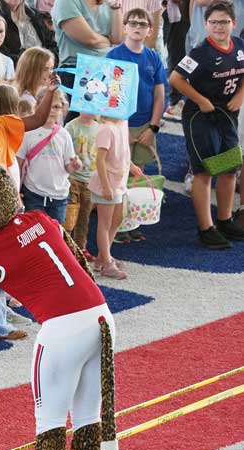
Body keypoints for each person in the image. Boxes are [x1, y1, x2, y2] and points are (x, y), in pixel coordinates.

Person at [170, 0, 244, 249]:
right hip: (200, 116)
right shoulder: (201, 52)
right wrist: (200, 100)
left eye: (224, 22)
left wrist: (240, 96)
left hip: (227, 115)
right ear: (206, 24)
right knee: (203, 170)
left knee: (229, 166)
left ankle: (224, 220)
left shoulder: (240, 46)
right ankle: (206, 228)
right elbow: (176, 78)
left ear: (234, 23)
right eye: (214, 22)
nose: (219, 27)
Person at [107, 7, 168, 243]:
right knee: (118, 176)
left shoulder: (153, 57)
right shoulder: (113, 56)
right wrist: (118, 130)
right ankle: (117, 225)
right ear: (124, 27)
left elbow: (160, 95)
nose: (137, 27)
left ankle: (130, 221)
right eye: (132, 23)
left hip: (144, 125)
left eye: (142, 24)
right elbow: (109, 95)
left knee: (136, 176)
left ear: (150, 30)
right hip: (119, 125)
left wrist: (152, 128)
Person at [17, 89, 82, 223]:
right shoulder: (28, 133)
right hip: (33, 194)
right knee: (32, 232)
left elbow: (67, 167)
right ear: (38, 106)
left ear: (63, 109)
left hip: (59, 197)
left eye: (57, 106)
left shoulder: (64, 135)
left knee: (56, 234)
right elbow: (18, 163)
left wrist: (75, 165)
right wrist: (17, 191)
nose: (52, 110)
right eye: (49, 105)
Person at [89, 115, 140, 278]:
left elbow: (123, 150)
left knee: (117, 219)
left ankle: (103, 257)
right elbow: (100, 160)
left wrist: (131, 165)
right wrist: (106, 186)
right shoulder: (106, 128)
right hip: (108, 183)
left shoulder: (122, 123)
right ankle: (106, 263)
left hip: (118, 182)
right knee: (105, 223)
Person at [51, 0, 123, 109]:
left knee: (103, 122)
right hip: (76, 71)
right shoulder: (65, 2)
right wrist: (108, 41)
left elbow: (118, 38)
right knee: (78, 121)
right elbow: (90, 39)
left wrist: (116, 9)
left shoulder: (108, 3)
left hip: (105, 70)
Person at [65, 112, 100, 251]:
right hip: (73, 178)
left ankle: (80, 248)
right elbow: (65, 147)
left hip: (90, 180)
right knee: (70, 214)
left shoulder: (99, 128)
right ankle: (66, 246)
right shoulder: (72, 126)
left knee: (84, 216)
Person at [0, 0, 58, 65]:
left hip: (44, 69)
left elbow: (52, 44)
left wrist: (48, 61)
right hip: (14, 74)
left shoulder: (34, 14)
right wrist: (30, 64)